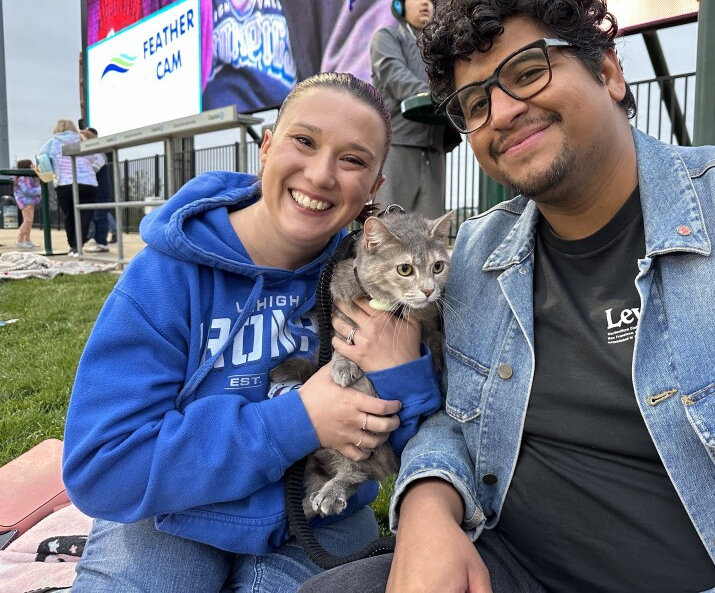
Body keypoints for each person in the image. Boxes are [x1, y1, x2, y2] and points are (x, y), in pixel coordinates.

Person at [302, 0, 715, 592]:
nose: (502, 111)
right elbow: (455, 421)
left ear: (607, 72)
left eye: (527, 72)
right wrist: (426, 502)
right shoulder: (473, 260)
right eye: (475, 104)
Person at [62, 72, 442, 591]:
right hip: (173, 514)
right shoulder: (166, 275)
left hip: (317, 514)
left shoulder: (380, 280)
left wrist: (404, 373)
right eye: (304, 141)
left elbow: (412, 445)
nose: (321, 173)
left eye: (352, 159)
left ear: (374, 189)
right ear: (266, 147)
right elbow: (103, 466)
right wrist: (298, 421)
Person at [370, 0, 459, 218]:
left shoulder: (442, 49)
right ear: (400, 6)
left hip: (435, 149)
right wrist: (437, 95)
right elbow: (395, 75)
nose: (425, 2)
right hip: (398, 145)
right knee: (389, 226)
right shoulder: (387, 37)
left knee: (430, 231)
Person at [37, 119, 103, 257]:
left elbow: (40, 157)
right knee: (85, 215)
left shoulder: (52, 142)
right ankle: (79, 245)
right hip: (88, 183)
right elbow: (98, 157)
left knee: (69, 216)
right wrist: (91, 170)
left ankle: (73, 246)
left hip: (65, 183)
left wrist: (50, 171)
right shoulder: (82, 139)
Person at [80, 127, 114, 253]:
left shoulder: (97, 153)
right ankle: (96, 240)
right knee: (95, 216)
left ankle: (101, 242)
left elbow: (96, 166)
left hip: (101, 189)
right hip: (95, 189)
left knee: (100, 216)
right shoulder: (92, 154)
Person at [13, 159, 41, 249]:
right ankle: (20, 240)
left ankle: (27, 240)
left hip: (28, 201)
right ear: (27, 166)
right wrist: (40, 190)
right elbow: (27, 191)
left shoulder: (25, 177)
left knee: (29, 221)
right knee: (27, 221)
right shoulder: (23, 178)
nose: (33, 165)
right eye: (31, 164)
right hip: (25, 201)